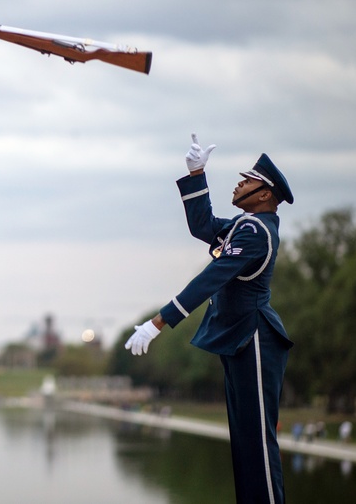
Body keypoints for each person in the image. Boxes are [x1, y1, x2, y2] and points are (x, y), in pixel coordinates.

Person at [125, 134, 294, 504]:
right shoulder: (244, 227)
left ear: (265, 194)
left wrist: (157, 323)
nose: (239, 183)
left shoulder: (255, 232)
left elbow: (210, 279)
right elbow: (203, 227)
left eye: (248, 180)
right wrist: (197, 174)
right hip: (240, 339)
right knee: (245, 440)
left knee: (259, 444)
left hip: (255, 339)